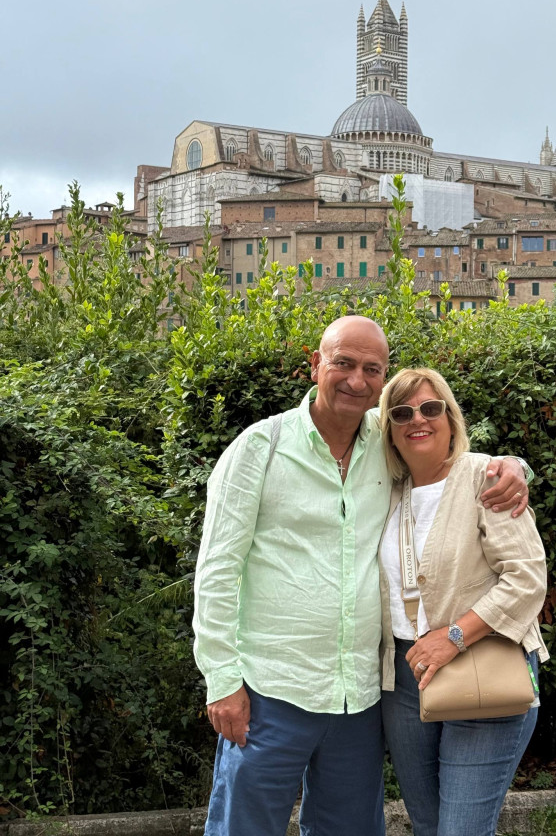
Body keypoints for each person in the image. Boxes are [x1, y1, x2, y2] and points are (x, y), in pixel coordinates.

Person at [193, 316, 532, 836]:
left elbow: (452, 459)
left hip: (358, 697)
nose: (357, 380)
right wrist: (222, 681)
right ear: (315, 366)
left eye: (371, 368)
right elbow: (216, 571)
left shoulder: (387, 440)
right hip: (271, 689)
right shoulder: (259, 449)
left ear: (383, 376)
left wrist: (513, 466)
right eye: (343, 363)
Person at [378, 367, 548, 836]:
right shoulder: (385, 493)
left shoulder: (486, 478)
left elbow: (527, 580)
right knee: (430, 827)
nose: (419, 420)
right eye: (402, 412)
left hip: (483, 668)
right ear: (388, 430)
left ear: (450, 418)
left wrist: (452, 637)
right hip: (405, 679)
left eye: (431, 409)